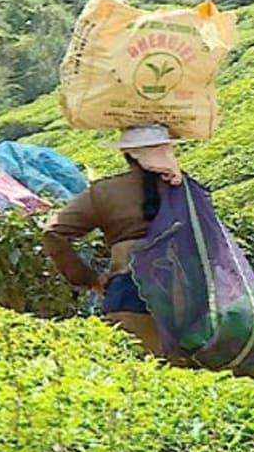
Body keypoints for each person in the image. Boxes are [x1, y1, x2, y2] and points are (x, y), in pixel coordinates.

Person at [41, 124, 188, 356]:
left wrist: (88, 279)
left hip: (131, 296)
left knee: (142, 375)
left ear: (127, 155)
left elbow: (53, 233)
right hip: (191, 298)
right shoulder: (188, 190)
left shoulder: (105, 192)